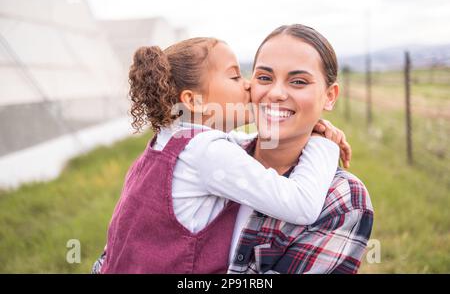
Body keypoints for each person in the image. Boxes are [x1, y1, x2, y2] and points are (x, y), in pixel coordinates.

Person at [93, 37, 350, 273]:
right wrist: (323, 144)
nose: (249, 85)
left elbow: (231, 147)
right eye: (235, 77)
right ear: (194, 101)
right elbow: (301, 205)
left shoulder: (170, 142)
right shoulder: (208, 152)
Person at [227, 24, 373, 274]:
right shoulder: (216, 155)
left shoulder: (343, 200)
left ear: (329, 96)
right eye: (264, 78)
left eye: (298, 81)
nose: (276, 93)